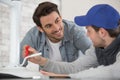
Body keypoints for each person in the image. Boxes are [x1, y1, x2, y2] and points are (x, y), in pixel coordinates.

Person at [27, 4, 120, 79]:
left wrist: (69, 77)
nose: (87, 35)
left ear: (102, 32)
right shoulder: (97, 48)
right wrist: (43, 61)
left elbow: (113, 72)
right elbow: (75, 67)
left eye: (89, 30)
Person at [20, 1, 92, 65]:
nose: (57, 28)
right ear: (40, 29)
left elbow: (95, 57)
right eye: (49, 26)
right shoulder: (32, 36)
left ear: (60, 17)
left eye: (57, 21)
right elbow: (21, 67)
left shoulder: (75, 31)